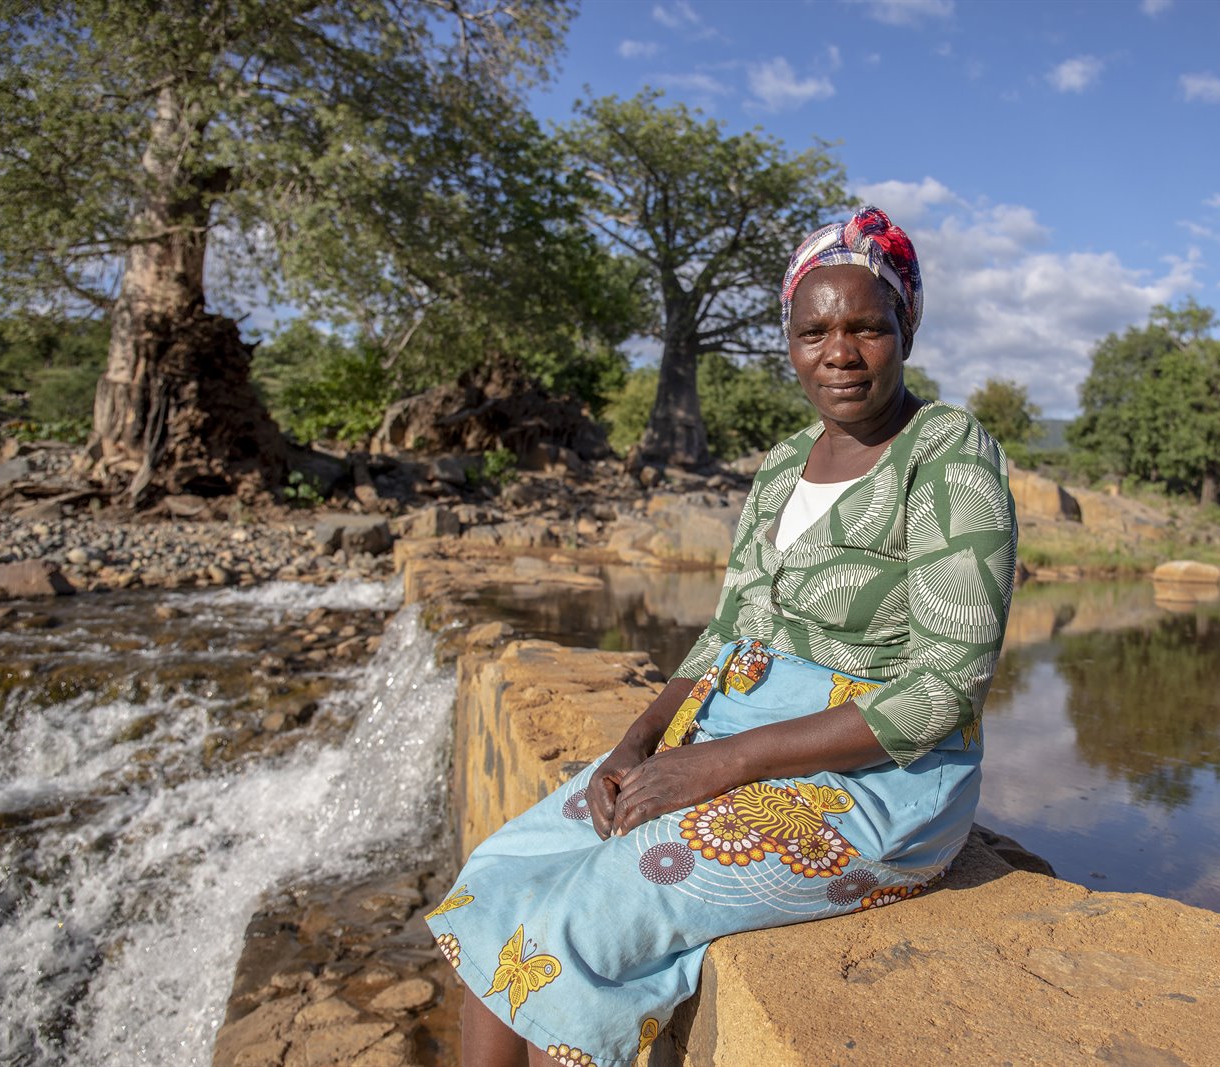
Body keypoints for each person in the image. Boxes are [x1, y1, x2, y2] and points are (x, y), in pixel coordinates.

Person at [426, 205, 1017, 1067]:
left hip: (879, 779)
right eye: (814, 331)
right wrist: (635, 743)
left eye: (867, 327)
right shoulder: (783, 466)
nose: (840, 352)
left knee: (583, 921)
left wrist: (717, 764)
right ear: (789, 339)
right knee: (502, 870)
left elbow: (942, 688)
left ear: (908, 327)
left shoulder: (949, 456)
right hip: (734, 724)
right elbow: (728, 633)